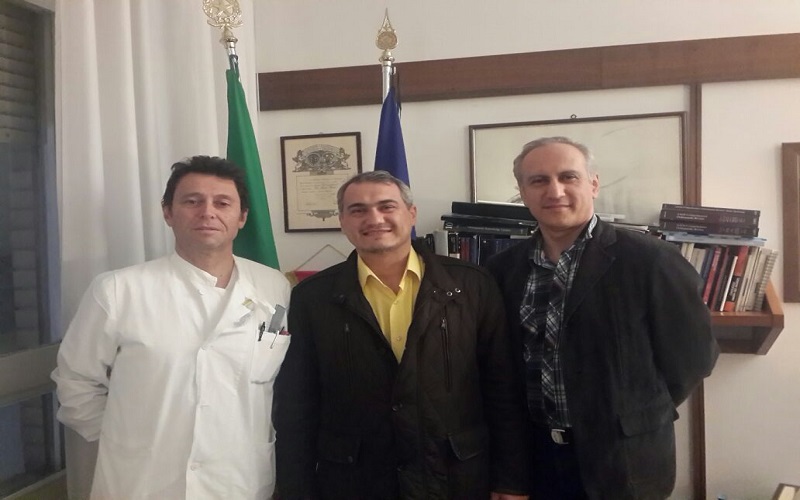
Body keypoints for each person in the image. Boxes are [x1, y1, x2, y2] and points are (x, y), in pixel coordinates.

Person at [486, 137, 720, 500]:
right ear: (522, 192)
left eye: (568, 177)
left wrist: (634, 413)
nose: (555, 191)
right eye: (539, 180)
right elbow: (502, 371)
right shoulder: (502, 270)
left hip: (623, 462)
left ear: (593, 184)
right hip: (534, 461)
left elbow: (694, 358)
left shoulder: (651, 260)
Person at [274, 171, 529, 499]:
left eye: (386, 206)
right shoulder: (312, 297)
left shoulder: (472, 284)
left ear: (411, 213)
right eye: (358, 210)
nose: (374, 218)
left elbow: (502, 388)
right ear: (342, 221)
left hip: (455, 477)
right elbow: (297, 404)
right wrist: (295, 490)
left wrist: (510, 481)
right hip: (355, 482)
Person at [52, 156, 291, 499]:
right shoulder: (117, 290)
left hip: (239, 480)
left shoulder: (274, 287)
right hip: (141, 483)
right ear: (168, 213)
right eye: (192, 201)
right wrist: (129, 438)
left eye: (222, 203)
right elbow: (75, 382)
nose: (207, 212)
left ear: (242, 217)